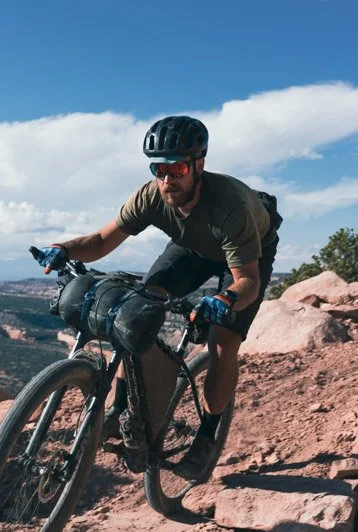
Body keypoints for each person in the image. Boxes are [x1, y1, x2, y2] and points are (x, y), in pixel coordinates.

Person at [34, 115, 280, 481]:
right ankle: (121, 411)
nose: (167, 179)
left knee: (222, 345)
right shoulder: (151, 196)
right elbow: (102, 241)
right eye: (159, 168)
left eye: (177, 168)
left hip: (245, 256)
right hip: (191, 247)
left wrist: (225, 299)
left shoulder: (231, 207)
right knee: (131, 310)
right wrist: (63, 249)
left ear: (199, 164)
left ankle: (207, 436)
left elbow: (247, 282)